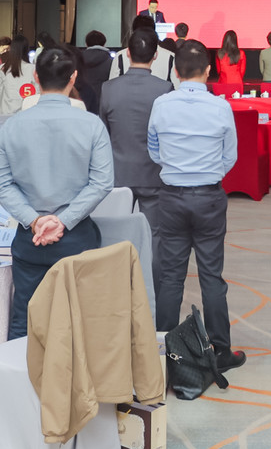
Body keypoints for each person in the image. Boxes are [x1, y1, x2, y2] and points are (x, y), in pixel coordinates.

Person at [0, 47, 114, 340]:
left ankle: (17, 369)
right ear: (73, 78)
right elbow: (102, 182)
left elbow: (0, 183)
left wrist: (34, 220)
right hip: (77, 236)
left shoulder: (12, 126)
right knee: (78, 320)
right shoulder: (92, 125)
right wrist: (63, 221)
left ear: (35, 77)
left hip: (30, 237)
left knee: (25, 317)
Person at [146, 40, 244, 370]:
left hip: (171, 198)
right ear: (209, 70)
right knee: (211, 277)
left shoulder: (161, 104)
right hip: (208, 197)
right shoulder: (220, 107)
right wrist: (206, 173)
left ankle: (163, 354)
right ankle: (221, 352)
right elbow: (230, 156)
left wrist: (177, 169)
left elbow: (154, 150)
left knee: (171, 278)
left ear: (175, 71)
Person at [99, 29, 172, 214]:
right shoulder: (165, 88)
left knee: (117, 227)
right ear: (155, 55)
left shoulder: (108, 88)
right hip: (153, 174)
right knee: (152, 228)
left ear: (128, 53)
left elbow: (104, 133)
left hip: (118, 174)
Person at [0, 35, 37, 115]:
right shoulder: (33, 69)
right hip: (26, 113)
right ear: (26, 50)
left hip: (6, 112)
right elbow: (37, 92)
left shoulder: (3, 68)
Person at [76, 31, 115, 109]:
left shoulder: (77, 60)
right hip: (103, 104)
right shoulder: (111, 62)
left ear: (86, 44)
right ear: (104, 44)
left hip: (81, 103)